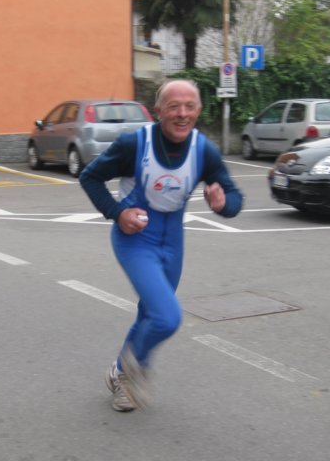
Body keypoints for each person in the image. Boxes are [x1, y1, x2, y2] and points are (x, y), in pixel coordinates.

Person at [79, 79, 244, 411]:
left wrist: (223, 203)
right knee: (167, 317)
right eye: (173, 107)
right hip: (136, 240)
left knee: (150, 314)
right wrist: (117, 212)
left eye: (189, 107)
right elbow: (90, 176)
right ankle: (133, 371)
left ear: (198, 111)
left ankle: (120, 373)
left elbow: (234, 198)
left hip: (173, 245)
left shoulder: (203, 150)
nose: (182, 114)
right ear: (158, 111)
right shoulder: (133, 145)